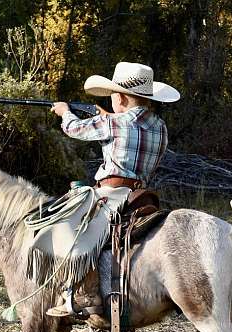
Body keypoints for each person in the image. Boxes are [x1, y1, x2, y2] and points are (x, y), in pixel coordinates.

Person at [37, 62, 180, 318]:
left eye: (114, 94)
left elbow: (74, 129)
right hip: (141, 194)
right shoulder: (160, 127)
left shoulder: (114, 123)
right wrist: (107, 116)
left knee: (67, 225)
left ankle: (85, 293)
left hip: (111, 194)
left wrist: (64, 112)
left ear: (122, 97)